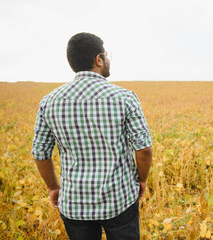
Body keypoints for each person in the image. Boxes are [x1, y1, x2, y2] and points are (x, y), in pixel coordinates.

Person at [31, 32, 153, 240]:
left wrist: (53, 187)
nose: (108, 59)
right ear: (98, 59)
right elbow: (144, 149)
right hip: (119, 200)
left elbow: (40, 153)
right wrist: (141, 181)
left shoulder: (49, 101)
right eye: (106, 55)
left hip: (74, 204)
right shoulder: (124, 97)